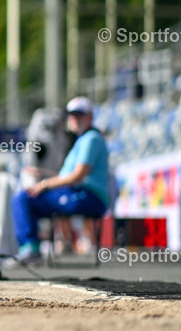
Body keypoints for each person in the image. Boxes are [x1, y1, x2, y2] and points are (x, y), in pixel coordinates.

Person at [11, 96, 111, 263]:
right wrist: (44, 173)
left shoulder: (91, 139)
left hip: (87, 197)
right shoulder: (83, 139)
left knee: (24, 199)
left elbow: (78, 176)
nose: (73, 119)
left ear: (90, 117)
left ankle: (31, 248)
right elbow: (70, 175)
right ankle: (31, 247)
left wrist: (44, 184)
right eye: (71, 115)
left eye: (79, 115)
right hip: (81, 193)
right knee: (25, 198)